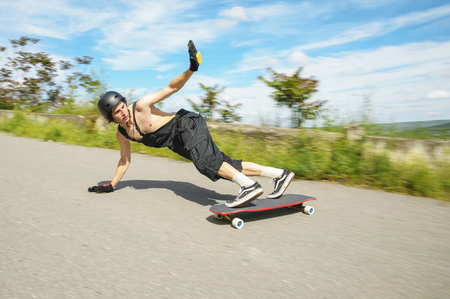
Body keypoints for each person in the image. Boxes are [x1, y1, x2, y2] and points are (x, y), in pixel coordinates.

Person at [88, 40, 295, 208]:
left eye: (122, 106)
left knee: (206, 163)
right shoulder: (122, 134)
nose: (122, 112)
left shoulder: (141, 106)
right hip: (180, 142)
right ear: (111, 118)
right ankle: (279, 175)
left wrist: (191, 69)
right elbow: (124, 161)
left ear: (125, 102)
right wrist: (112, 184)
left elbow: (170, 88)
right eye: (116, 112)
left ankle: (249, 187)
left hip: (185, 124)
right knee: (226, 165)